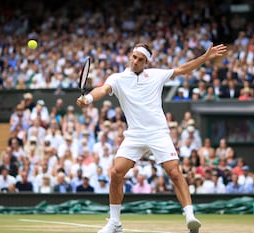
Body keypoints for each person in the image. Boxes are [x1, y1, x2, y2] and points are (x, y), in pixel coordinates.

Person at [77, 42, 227, 233]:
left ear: (146, 62)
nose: (136, 61)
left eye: (140, 59)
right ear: (130, 56)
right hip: (135, 135)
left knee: (174, 172)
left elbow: (182, 69)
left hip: (158, 133)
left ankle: (190, 216)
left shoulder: (156, 75)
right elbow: (103, 90)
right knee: (116, 173)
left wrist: (205, 58)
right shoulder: (118, 78)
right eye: (134, 57)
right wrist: (88, 99)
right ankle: (115, 223)